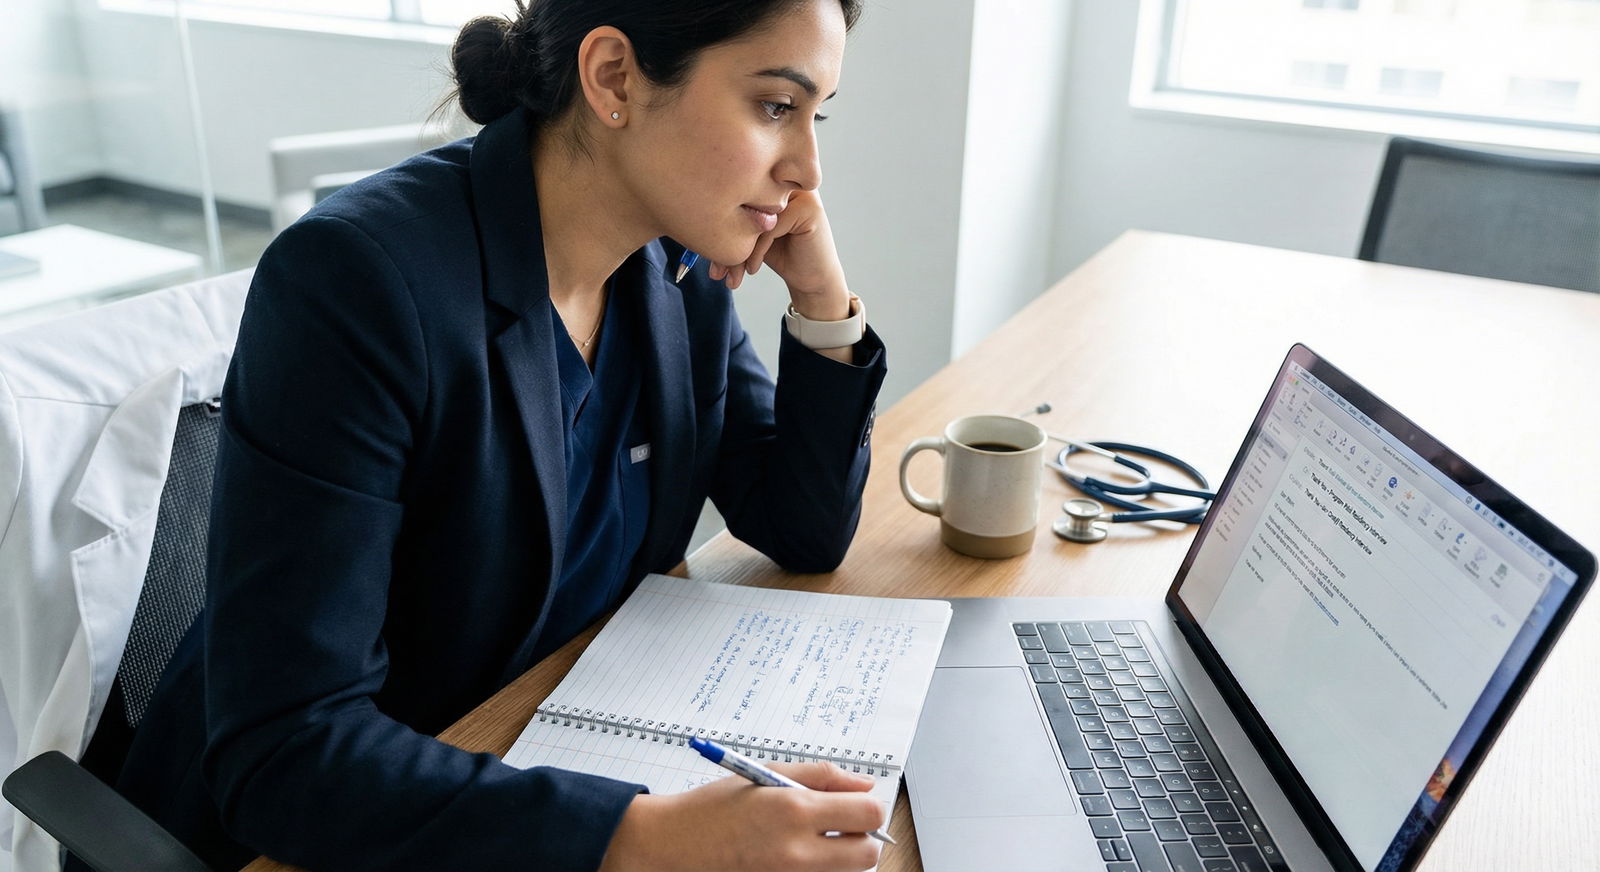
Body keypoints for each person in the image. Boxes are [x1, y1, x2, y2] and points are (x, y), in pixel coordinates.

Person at [108, 0, 890, 870]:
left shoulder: (675, 268)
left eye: (816, 116)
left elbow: (803, 527)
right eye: (777, 107)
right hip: (321, 832)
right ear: (613, 77)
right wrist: (641, 838)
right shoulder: (357, 282)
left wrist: (823, 303)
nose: (807, 171)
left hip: (535, 741)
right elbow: (287, 753)